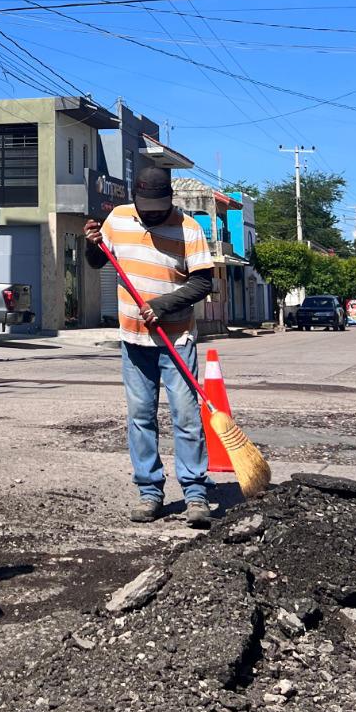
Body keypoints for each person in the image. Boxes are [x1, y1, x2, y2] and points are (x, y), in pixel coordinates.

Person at [84, 164, 216, 527]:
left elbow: (203, 283)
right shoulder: (118, 219)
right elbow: (98, 261)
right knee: (141, 417)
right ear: (135, 199)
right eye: (146, 206)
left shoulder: (189, 228)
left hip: (177, 339)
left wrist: (162, 306)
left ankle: (195, 493)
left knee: (186, 418)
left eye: (158, 207)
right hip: (133, 338)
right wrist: (91, 242)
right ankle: (150, 491)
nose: (151, 213)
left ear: (169, 200)